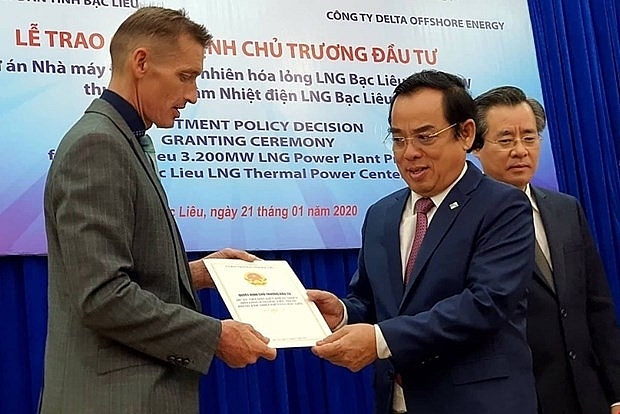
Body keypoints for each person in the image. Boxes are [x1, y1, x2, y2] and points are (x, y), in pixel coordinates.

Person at [41, 7, 276, 413]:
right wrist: (214, 336)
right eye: (186, 76)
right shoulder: (98, 146)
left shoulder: (122, 139)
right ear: (141, 63)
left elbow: (119, 267)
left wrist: (197, 273)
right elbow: (102, 296)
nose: (193, 95)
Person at [308, 70, 537, 414]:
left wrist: (381, 340)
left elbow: (485, 304)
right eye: (398, 139)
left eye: (425, 137)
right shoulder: (381, 214)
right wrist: (342, 313)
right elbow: (372, 301)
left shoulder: (503, 206)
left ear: (465, 133)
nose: (409, 152)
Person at [472, 85, 620, 414]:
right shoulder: (464, 222)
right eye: (506, 140)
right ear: (475, 146)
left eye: (529, 137)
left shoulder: (566, 209)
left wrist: (616, 392)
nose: (520, 150)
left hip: (585, 397)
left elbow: (597, 306)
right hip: (514, 401)